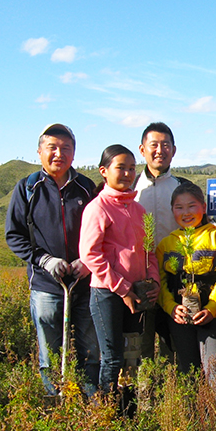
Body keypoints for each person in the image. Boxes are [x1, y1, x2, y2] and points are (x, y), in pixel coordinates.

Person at [5, 123, 99, 396]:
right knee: (50, 350)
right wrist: (45, 260)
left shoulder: (85, 187)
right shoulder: (27, 188)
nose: (59, 153)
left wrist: (87, 261)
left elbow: (99, 229)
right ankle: (55, 399)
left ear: (74, 153)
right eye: (52, 147)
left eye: (66, 148)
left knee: (89, 347)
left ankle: (90, 403)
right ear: (39, 152)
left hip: (84, 282)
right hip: (46, 285)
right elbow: (15, 235)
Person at [79, 145, 160, 393]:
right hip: (108, 294)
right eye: (120, 168)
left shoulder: (138, 210)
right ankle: (107, 414)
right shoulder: (98, 208)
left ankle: (129, 413)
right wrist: (122, 288)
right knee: (113, 357)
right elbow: (90, 254)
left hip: (136, 293)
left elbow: (149, 251)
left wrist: (153, 281)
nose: (126, 173)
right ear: (104, 171)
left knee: (132, 357)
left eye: (131, 168)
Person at [156, 182, 216, 382]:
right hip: (179, 319)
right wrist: (170, 307)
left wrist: (213, 307)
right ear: (172, 210)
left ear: (203, 207)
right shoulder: (166, 244)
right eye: (179, 207)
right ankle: (192, 414)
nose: (186, 212)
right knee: (188, 375)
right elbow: (160, 281)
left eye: (192, 206)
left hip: (213, 317)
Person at [134, 122, 182, 362]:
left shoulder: (183, 188)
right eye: (154, 145)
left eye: (166, 145)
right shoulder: (130, 188)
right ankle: (141, 398)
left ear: (174, 150)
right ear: (142, 150)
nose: (160, 150)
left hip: (176, 279)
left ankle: (173, 395)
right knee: (139, 348)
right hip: (138, 281)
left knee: (172, 348)